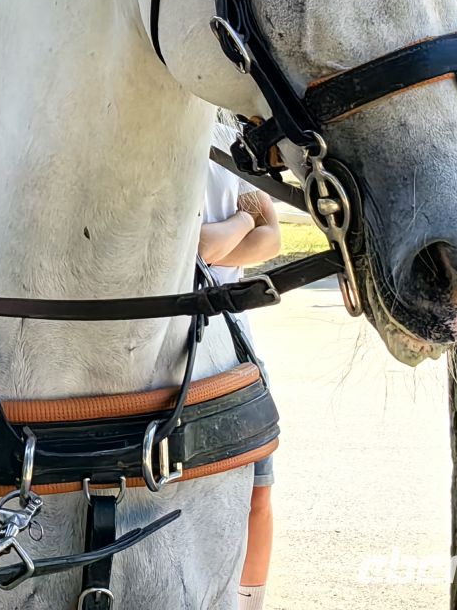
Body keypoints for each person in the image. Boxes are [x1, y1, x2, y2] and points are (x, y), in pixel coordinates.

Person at [199, 117, 282, 610]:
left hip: (238, 348)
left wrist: (236, 227)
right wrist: (245, 221)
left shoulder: (230, 136)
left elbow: (272, 238)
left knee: (258, 491)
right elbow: (199, 247)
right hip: (183, 347)